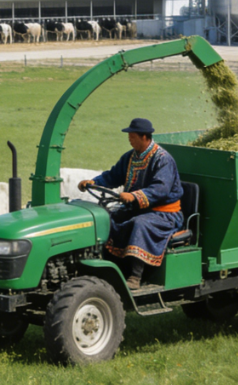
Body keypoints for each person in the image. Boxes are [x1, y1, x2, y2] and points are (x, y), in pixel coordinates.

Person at [78, 118, 183, 290]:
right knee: (108, 217)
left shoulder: (163, 159)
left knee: (139, 224)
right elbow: (112, 176)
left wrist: (134, 196)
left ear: (145, 137)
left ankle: (135, 276)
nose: (129, 140)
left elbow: (161, 189)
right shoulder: (130, 157)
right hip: (138, 209)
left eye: (132, 136)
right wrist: (93, 182)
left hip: (164, 214)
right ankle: (112, 266)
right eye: (129, 136)